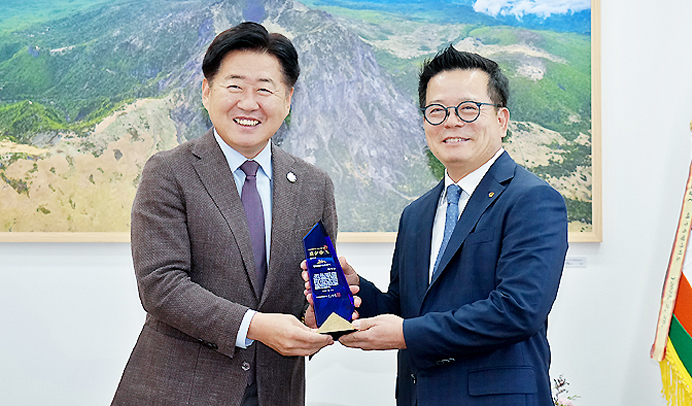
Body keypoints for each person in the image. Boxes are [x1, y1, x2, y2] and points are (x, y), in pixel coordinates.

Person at [307, 45, 568, 406]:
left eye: (468, 108)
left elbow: (517, 310)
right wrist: (355, 288)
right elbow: (405, 309)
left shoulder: (533, 199)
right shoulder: (415, 213)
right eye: (437, 111)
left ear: (502, 120)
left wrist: (406, 334)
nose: (451, 121)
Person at [112, 22, 336, 406]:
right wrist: (255, 326)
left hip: (275, 392)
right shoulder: (169, 172)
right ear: (206, 91)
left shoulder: (315, 185)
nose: (248, 103)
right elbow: (161, 285)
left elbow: (314, 282)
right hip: (181, 391)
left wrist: (319, 317)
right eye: (235, 86)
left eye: (264, 89)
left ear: (288, 99)